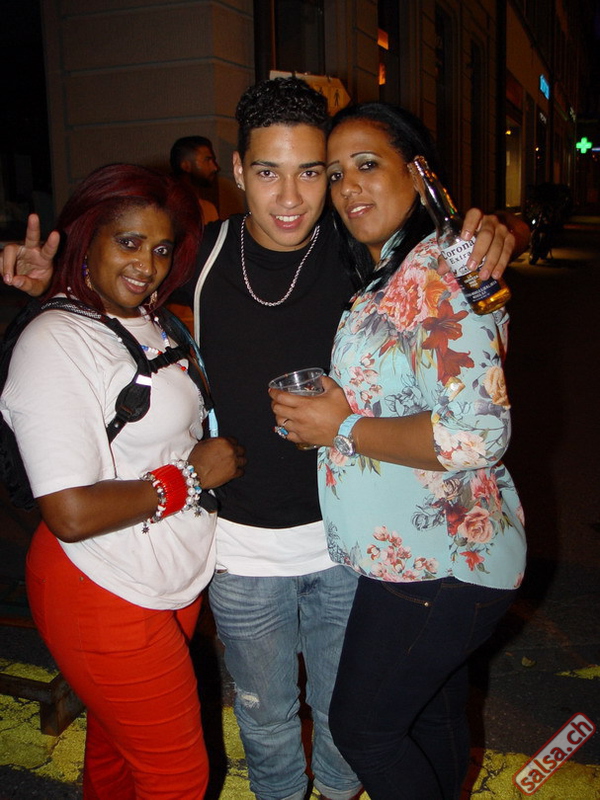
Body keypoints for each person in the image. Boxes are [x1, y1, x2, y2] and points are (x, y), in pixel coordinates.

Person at [0, 79, 520, 800]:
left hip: (347, 545)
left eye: (312, 172)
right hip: (238, 551)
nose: (291, 198)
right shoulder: (197, 257)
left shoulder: (356, 248)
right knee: (265, 719)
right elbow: (117, 298)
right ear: (239, 171)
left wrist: (497, 232)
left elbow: (438, 255)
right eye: (269, 172)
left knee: (346, 722)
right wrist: (53, 284)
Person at [269, 102, 526, 800]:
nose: (348, 187)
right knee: (431, 717)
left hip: (442, 563)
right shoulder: (391, 271)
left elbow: (478, 432)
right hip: (416, 557)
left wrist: (342, 427)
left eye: (367, 164)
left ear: (417, 174)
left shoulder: (439, 266)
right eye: (335, 174)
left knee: (366, 732)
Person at [0, 163, 245, 799]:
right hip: (99, 584)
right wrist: (191, 476)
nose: (148, 265)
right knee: (178, 778)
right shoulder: (53, 338)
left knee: (117, 752)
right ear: (89, 239)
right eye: (129, 242)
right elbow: (70, 512)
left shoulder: (153, 319)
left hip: (167, 574)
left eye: (162, 249)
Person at [170, 135, 220, 224]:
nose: (215, 168)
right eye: (207, 160)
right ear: (186, 166)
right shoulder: (169, 208)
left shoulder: (208, 209)